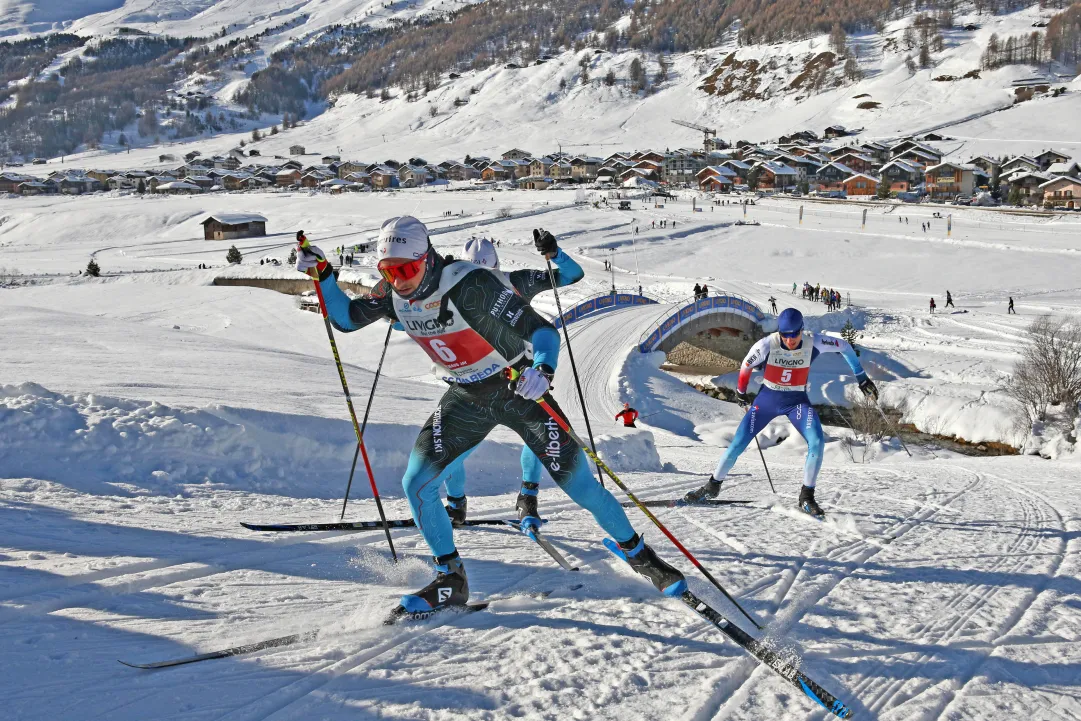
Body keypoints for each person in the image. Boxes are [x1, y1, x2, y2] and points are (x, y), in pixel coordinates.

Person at [295, 218, 686, 614]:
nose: (399, 281)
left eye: (406, 270)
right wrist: (324, 274)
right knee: (416, 482)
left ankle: (641, 557)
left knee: (581, 486)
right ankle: (451, 579)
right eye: (389, 271)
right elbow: (345, 320)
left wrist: (544, 370)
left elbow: (543, 331)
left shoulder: (472, 284)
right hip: (468, 394)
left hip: (518, 387)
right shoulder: (391, 292)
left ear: (426, 258)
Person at [437, 234, 585, 529]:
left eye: (488, 274)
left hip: (519, 373)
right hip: (474, 376)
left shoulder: (515, 280)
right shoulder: (451, 285)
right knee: (451, 442)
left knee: (536, 434)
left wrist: (554, 253)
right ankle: (457, 504)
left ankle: (526, 498)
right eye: (476, 274)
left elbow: (572, 275)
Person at [683, 308, 878, 517]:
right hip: (767, 400)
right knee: (738, 443)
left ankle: (807, 497)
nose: (790, 339)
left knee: (817, 442)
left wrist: (862, 378)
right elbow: (746, 364)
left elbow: (845, 347)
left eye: (794, 334)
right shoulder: (767, 344)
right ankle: (712, 487)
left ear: (802, 330)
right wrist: (741, 392)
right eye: (785, 335)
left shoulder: (814, 342)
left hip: (797, 402)